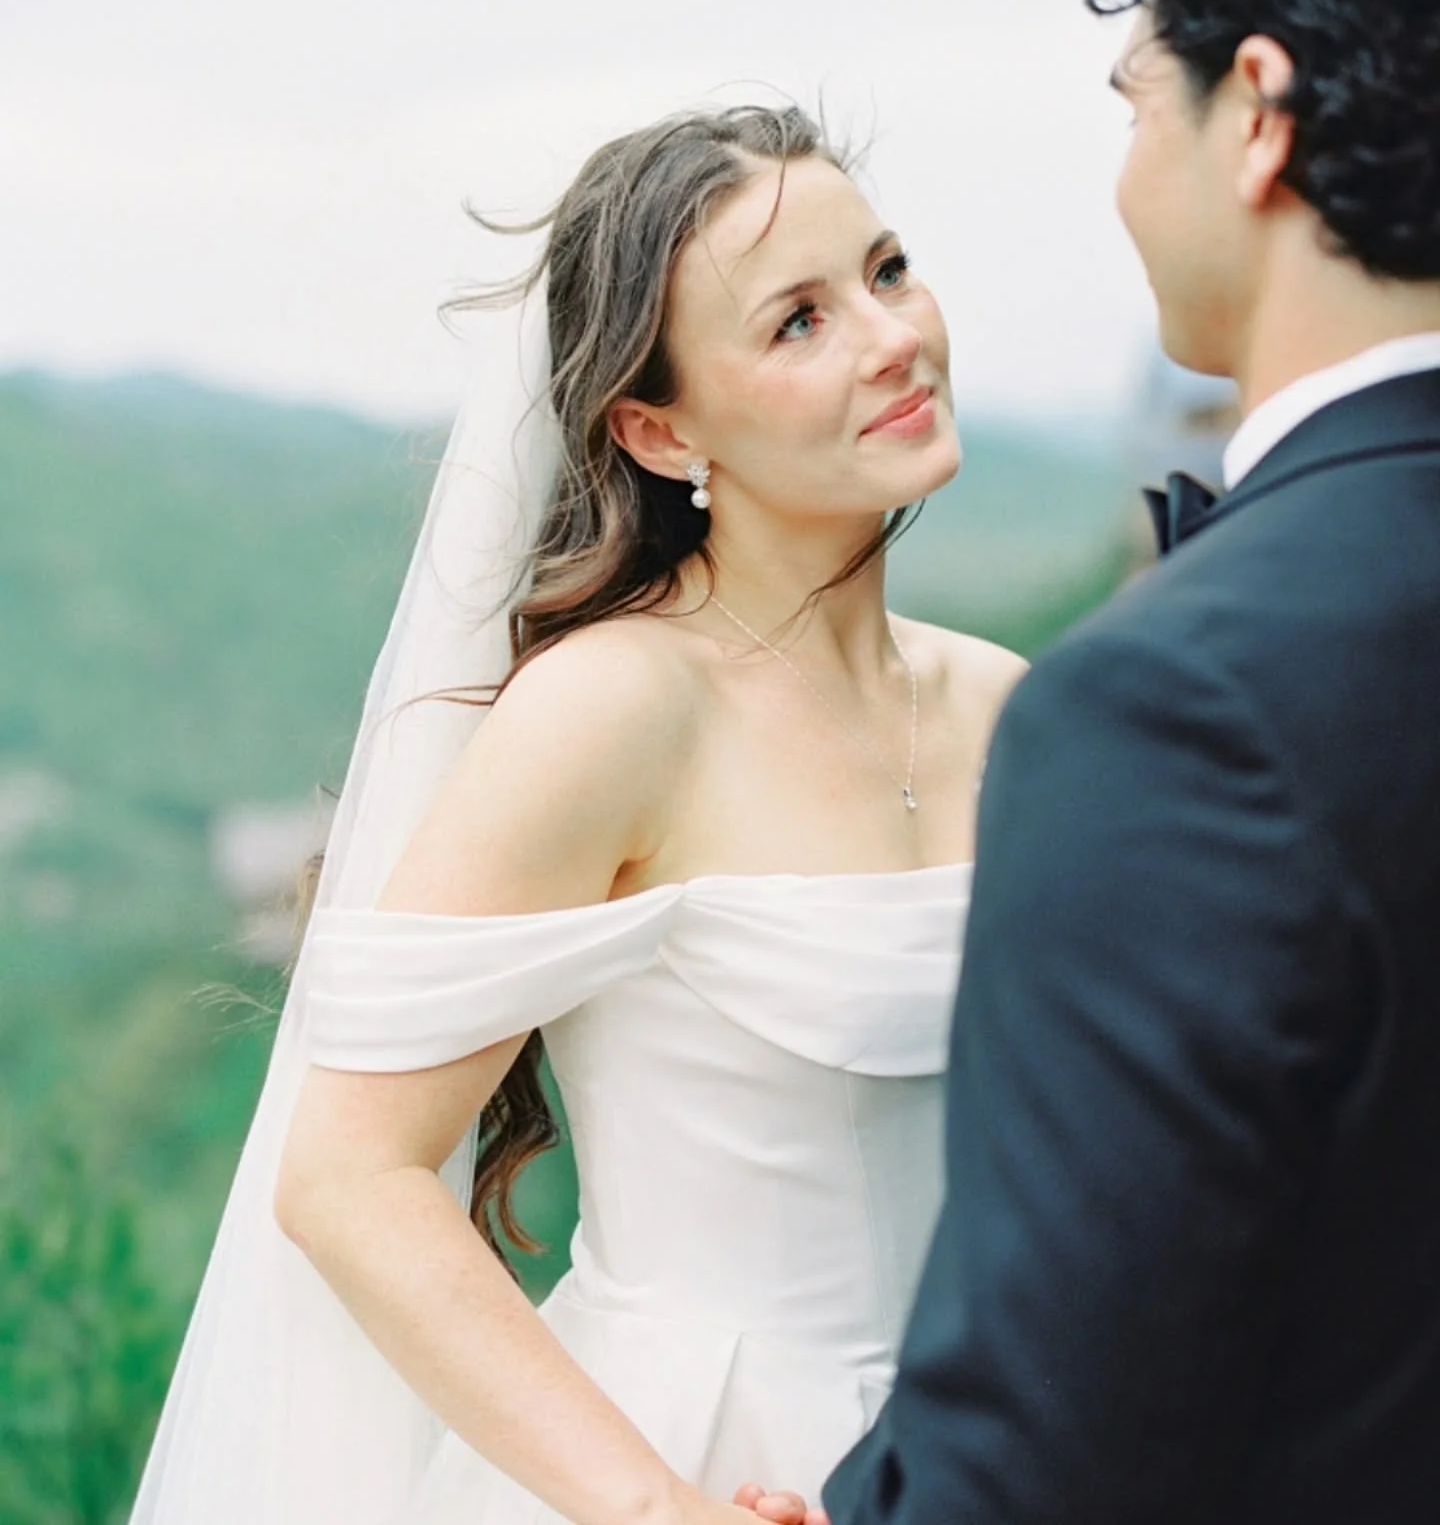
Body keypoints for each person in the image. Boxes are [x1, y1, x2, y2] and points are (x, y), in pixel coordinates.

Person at [128, 103, 1026, 1523]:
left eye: (888, 269)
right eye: (798, 321)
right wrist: (654, 1506)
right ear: (660, 429)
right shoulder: (620, 710)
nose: (890, 334)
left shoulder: (1014, 708)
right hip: (704, 1460)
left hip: (998, 1449)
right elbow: (349, 1175)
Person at [794, 0, 1440, 1525]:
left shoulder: (1174, 709)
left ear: (1256, 115)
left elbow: (1049, 1462)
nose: (1119, 174)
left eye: (1132, 101)